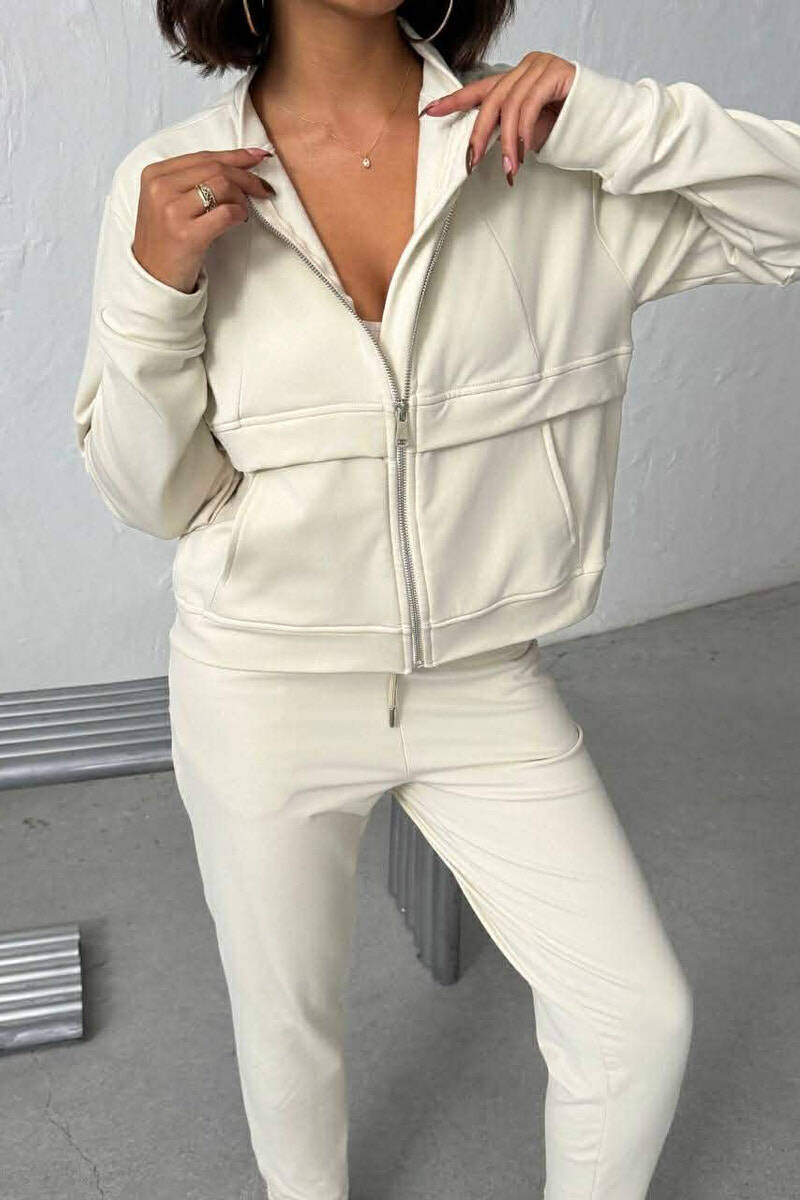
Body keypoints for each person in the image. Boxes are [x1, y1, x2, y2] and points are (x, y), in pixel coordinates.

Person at [72, 1, 800, 1196]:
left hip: (480, 680)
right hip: (260, 685)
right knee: (289, 1031)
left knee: (635, 1021)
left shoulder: (544, 152)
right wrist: (157, 291)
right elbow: (153, 495)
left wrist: (619, 124)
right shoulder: (172, 182)